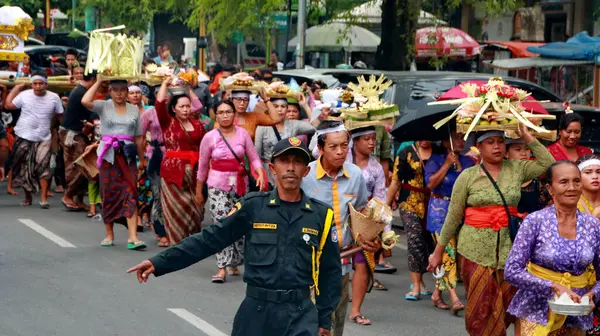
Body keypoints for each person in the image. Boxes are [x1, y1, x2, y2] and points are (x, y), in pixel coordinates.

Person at [129, 138, 342, 336]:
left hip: (300, 314)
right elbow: (209, 240)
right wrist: (159, 263)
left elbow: (330, 272)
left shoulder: (321, 216)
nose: (290, 168)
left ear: (306, 171)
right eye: (284, 161)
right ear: (272, 168)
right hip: (256, 313)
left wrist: (324, 320)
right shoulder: (253, 207)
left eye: (298, 162)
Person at [428, 126, 555, 336]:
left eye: (500, 141)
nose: (497, 146)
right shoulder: (467, 176)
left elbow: (548, 164)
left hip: (510, 250)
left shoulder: (517, 168)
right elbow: (453, 216)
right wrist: (438, 251)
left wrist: (526, 136)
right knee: (480, 310)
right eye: (490, 142)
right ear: (479, 147)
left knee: (507, 307)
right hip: (474, 251)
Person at [301, 120, 381, 336]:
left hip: (340, 262)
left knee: (335, 322)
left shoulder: (355, 175)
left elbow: (361, 212)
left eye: (344, 146)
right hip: (306, 263)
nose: (340, 152)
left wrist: (369, 236)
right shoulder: (304, 175)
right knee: (308, 322)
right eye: (333, 147)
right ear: (320, 149)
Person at [505, 160, 600, 335]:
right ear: (550, 189)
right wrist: (553, 286)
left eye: (576, 181)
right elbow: (512, 270)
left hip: (576, 312)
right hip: (536, 308)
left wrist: (593, 295)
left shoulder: (593, 226)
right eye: (564, 182)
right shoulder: (535, 222)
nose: (572, 187)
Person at [197, 100, 266, 283]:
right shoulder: (209, 137)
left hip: (240, 184)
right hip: (217, 185)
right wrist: (198, 190)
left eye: (228, 112)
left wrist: (259, 173)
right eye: (221, 112)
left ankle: (234, 260)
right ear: (216, 115)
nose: (225, 115)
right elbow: (203, 166)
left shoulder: (243, 134)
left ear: (234, 114)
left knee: (239, 223)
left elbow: (254, 158)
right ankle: (221, 268)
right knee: (221, 223)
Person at [81, 77, 146, 250]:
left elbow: (139, 137)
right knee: (108, 193)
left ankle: (133, 237)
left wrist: (142, 159)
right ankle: (109, 234)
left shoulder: (134, 110)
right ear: (110, 91)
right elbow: (85, 101)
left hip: (128, 156)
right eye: (115, 90)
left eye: (122, 90)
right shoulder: (104, 105)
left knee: (131, 192)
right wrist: (98, 81)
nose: (119, 93)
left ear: (127, 92)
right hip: (108, 155)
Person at [424, 131, 474, 313]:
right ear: (446, 141)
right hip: (439, 212)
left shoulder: (469, 162)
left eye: (463, 137)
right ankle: (454, 296)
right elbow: (430, 184)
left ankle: (437, 294)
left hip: (462, 213)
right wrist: (446, 164)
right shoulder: (435, 160)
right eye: (456, 137)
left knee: (455, 253)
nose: (461, 141)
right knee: (448, 252)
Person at [155, 77, 206, 245]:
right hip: (173, 173)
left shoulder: (198, 124)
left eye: (187, 106)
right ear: (174, 109)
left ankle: (191, 240)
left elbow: (205, 146)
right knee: (174, 208)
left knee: (197, 208)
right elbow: (159, 104)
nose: (185, 109)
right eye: (181, 107)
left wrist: (188, 88)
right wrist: (164, 84)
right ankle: (176, 241)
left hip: (196, 172)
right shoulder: (167, 122)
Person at [347, 126, 388, 326]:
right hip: (341, 216)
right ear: (355, 141)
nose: (371, 143)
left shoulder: (376, 167)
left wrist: (385, 233)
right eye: (366, 139)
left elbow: (381, 199)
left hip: (365, 221)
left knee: (362, 263)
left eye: (373, 139)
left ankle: (355, 310)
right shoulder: (342, 160)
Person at [386, 140, 436, 301]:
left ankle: (421, 279)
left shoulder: (440, 151)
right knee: (414, 241)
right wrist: (386, 206)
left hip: (433, 204)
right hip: (409, 203)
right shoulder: (405, 152)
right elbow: (395, 181)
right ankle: (415, 284)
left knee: (428, 243)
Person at [5, 72, 64, 208]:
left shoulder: (54, 97)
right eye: (35, 83)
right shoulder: (24, 95)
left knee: (44, 167)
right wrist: (16, 88)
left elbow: (60, 114)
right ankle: (28, 197)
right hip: (23, 135)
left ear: (46, 84)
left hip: (44, 137)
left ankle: (43, 198)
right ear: (31, 85)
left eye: (41, 83)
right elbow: (8, 106)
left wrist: (57, 130)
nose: (38, 86)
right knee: (26, 168)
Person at [255, 96, 314, 185]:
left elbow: (316, 126)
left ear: (286, 108)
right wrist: (260, 175)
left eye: (283, 106)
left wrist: (305, 105)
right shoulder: (262, 126)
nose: (279, 110)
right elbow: (256, 155)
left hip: (288, 169)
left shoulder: (294, 124)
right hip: (268, 171)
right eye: (275, 106)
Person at [60, 71, 96, 211]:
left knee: (80, 165)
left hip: (77, 132)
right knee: (81, 165)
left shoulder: (80, 90)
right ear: (93, 79)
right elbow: (91, 111)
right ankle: (68, 195)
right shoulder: (82, 93)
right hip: (72, 134)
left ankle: (79, 199)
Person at [505, 138, 548, 215]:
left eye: (527, 149)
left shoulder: (537, 179)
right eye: (518, 149)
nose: (524, 153)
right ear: (506, 153)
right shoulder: (500, 176)